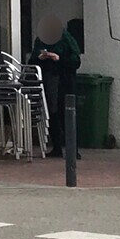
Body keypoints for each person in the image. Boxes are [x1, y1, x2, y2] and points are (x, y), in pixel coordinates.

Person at [31, 13, 82, 150]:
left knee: (67, 114)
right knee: (52, 113)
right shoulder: (40, 41)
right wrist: (40, 58)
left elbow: (75, 62)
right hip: (49, 81)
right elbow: (32, 62)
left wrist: (59, 59)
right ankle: (57, 147)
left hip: (65, 82)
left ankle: (73, 149)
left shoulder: (67, 40)